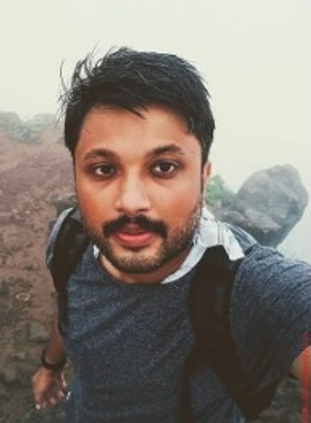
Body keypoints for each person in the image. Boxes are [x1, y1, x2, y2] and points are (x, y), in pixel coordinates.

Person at [32, 47, 310, 423]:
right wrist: (50, 366)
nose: (131, 203)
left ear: (203, 175)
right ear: (76, 176)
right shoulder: (70, 240)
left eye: (164, 167)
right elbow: (68, 307)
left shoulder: (246, 287)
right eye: (103, 169)